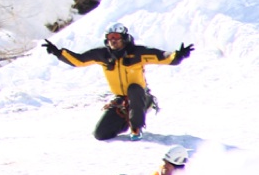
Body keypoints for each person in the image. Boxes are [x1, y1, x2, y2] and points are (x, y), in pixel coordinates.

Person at [43, 22, 194, 140]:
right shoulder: (102, 55)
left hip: (139, 95)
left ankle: (136, 127)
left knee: (134, 88)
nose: (113, 40)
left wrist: (178, 55)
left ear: (124, 38)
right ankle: (126, 120)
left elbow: (163, 57)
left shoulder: (137, 53)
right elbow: (79, 60)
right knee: (101, 134)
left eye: (116, 37)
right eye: (110, 38)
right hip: (121, 100)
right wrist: (58, 52)